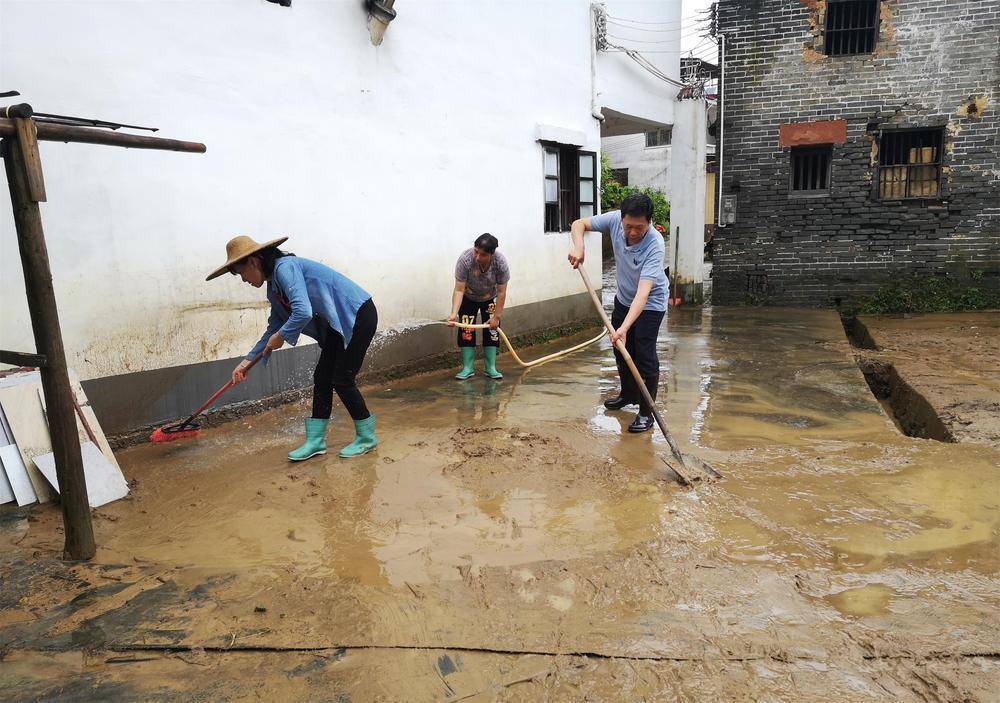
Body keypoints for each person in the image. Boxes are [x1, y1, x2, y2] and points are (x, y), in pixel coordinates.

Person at [207, 235, 378, 460]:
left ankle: (367, 438)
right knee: (322, 377)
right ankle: (316, 441)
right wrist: (246, 362)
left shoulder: (285, 268)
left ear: (253, 262)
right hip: (337, 324)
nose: (243, 280)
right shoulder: (274, 288)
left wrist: (281, 336)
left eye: (241, 273)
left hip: (357, 314)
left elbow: (303, 311)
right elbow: (273, 328)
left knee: (342, 379)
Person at [567, 194, 667, 433]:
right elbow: (578, 224)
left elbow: (643, 294)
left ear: (650, 222)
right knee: (621, 351)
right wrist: (579, 247)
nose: (632, 232)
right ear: (621, 219)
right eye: (628, 226)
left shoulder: (655, 244)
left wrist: (624, 328)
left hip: (650, 304)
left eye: (639, 228)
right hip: (623, 299)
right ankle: (628, 395)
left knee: (643, 354)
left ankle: (646, 412)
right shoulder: (614, 221)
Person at [446, 233, 510, 380]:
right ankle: (468, 367)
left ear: (492, 254)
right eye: (476, 251)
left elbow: (501, 292)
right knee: (466, 329)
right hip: (468, 297)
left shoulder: (500, 263)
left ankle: (491, 367)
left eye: (483, 254)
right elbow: (459, 289)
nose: (477, 257)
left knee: (492, 330)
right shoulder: (465, 260)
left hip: (490, 297)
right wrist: (453, 313)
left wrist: (496, 317)